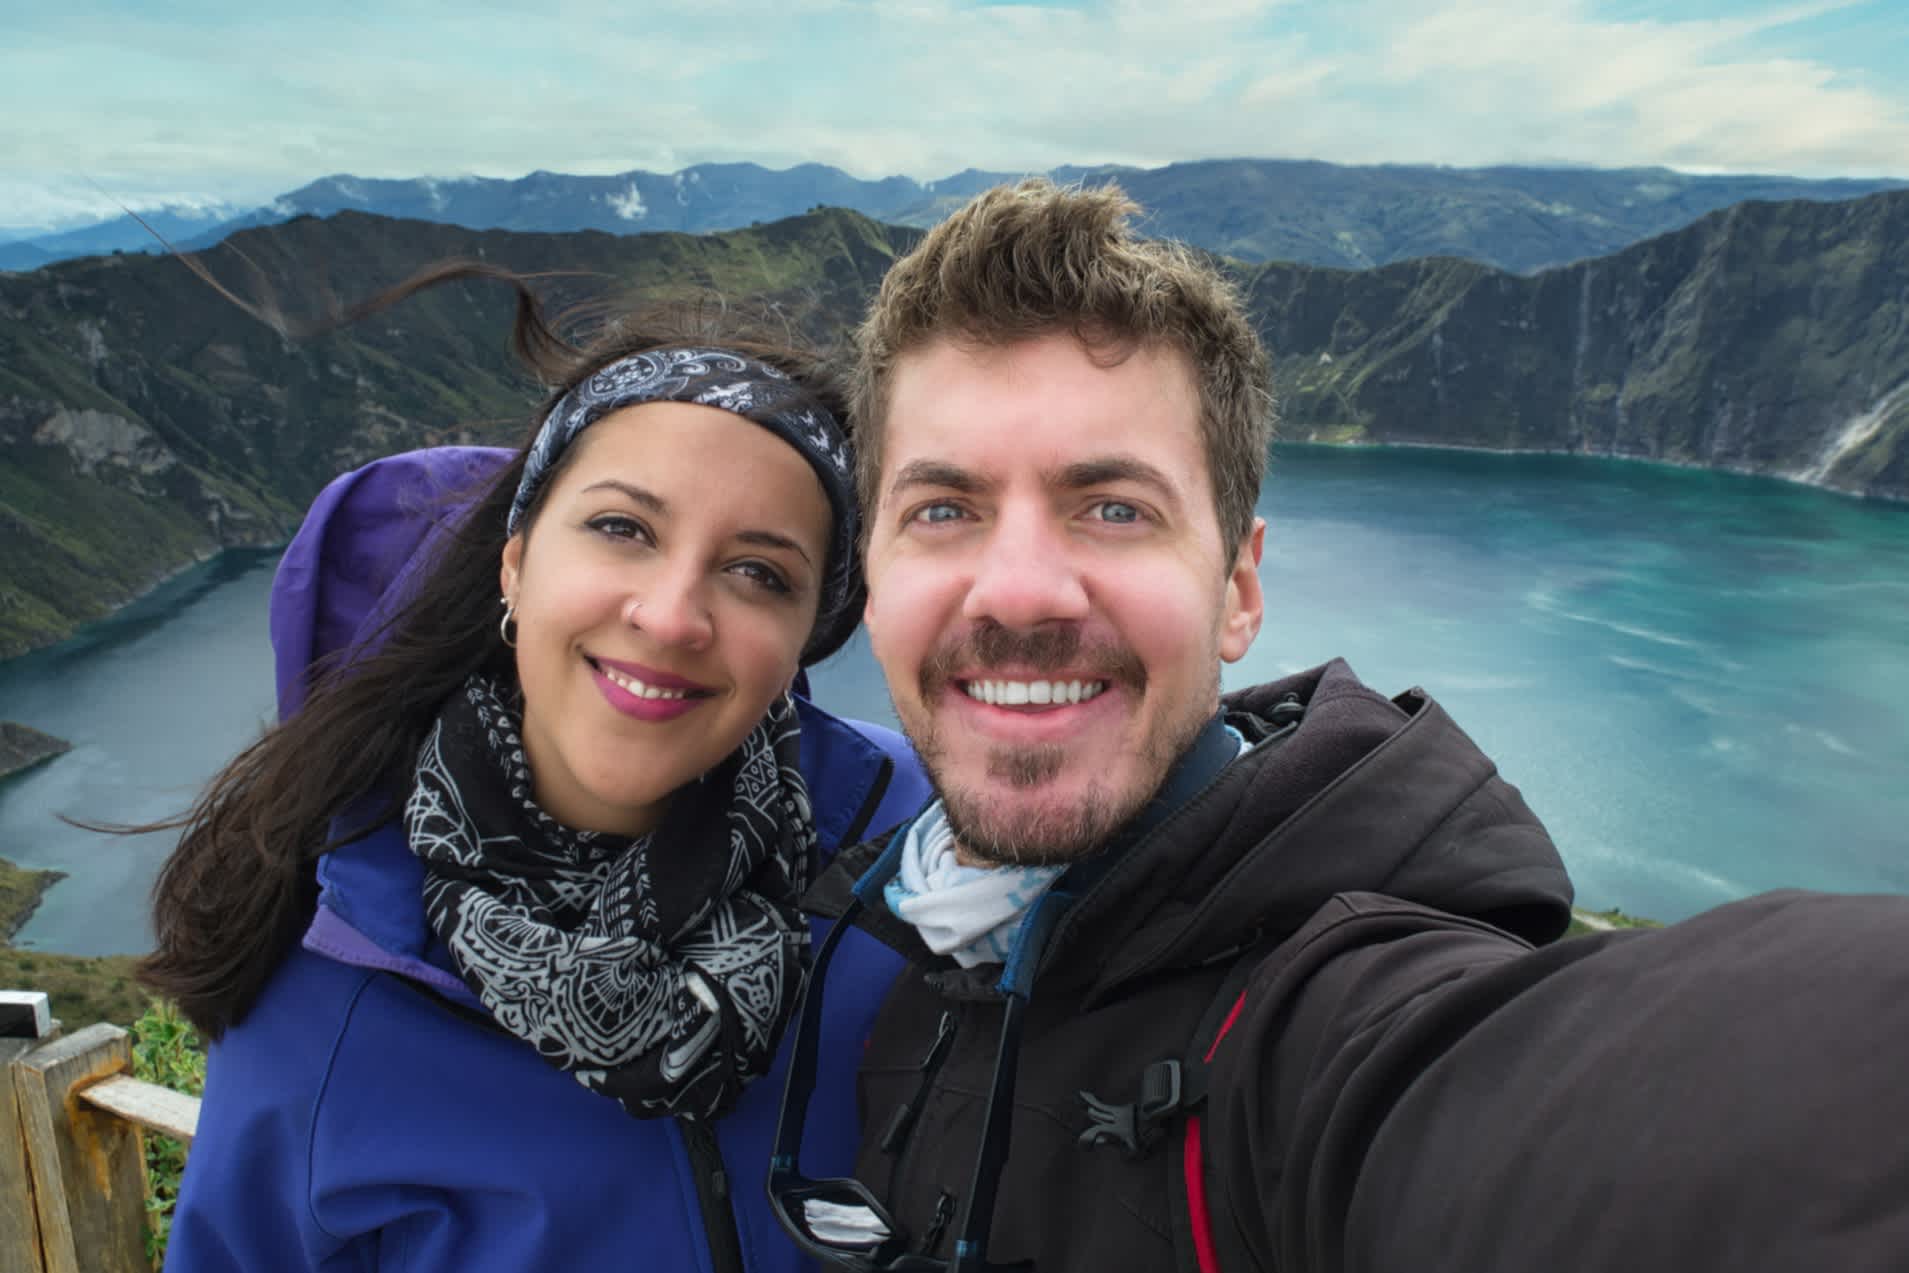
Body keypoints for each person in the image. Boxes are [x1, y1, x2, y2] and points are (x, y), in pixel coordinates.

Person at [767, 179, 1909, 1273]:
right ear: (871, 572)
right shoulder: (911, 944)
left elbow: (1616, 1115)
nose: (1018, 591)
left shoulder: (1323, 1024)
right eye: (944, 509)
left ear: (1237, 592)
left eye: (1112, 507)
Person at [138, 277, 931, 1272]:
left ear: (803, 638)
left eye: (758, 572)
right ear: (515, 566)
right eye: (623, 529)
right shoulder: (326, 1002)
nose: (672, 614)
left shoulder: (916, 859)